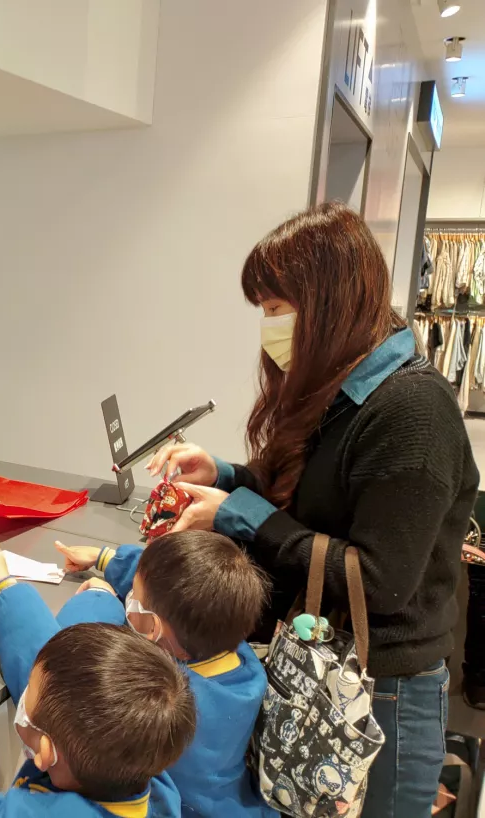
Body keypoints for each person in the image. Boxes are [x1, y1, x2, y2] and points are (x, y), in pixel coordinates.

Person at [146, 202, 479, 818]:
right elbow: (314, 504)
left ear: (329, 302)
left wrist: (239, 514)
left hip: (382, 695)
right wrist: (225, 476)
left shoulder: (412, 410)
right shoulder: (346, 389)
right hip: (324, 671)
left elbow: (379, 581)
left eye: (277, 308)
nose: (269, 327)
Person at [0, 541, 195, 818]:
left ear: (46, 753)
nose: (26, 690)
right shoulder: (141, 759)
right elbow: (59, 674)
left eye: (28, 696)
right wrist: (2, 584)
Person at [52, 532, 275, 818]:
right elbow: (183, 585)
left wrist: (98, 598)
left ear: (154, 628)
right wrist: (104, 558)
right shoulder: (237, 652)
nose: (129, 599)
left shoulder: (163, 699)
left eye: (133, 598)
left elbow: (66, 666)